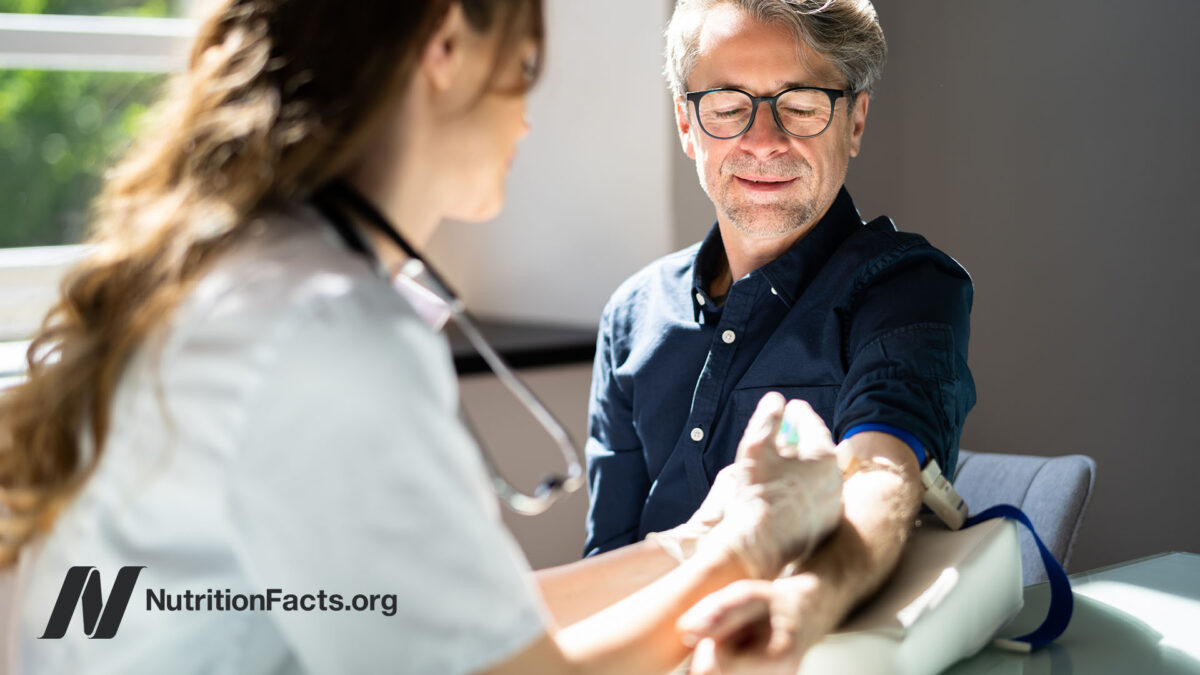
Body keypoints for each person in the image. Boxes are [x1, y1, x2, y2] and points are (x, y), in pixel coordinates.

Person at [0, 1, 845, 673]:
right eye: (523, 70)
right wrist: (748, 547)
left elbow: (438, 617)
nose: (526, 121)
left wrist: (694, 542)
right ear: (445, 44)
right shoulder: (326, 330)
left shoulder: (241, 280)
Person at [584, 0, 977, 670]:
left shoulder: (906, 288)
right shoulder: (632, 315)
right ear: (686, 122)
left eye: (800, 104)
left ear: (854, 119)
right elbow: (610, 563)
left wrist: (802, 601)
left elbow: (882, 472)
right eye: (729, 106)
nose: (764, 140)